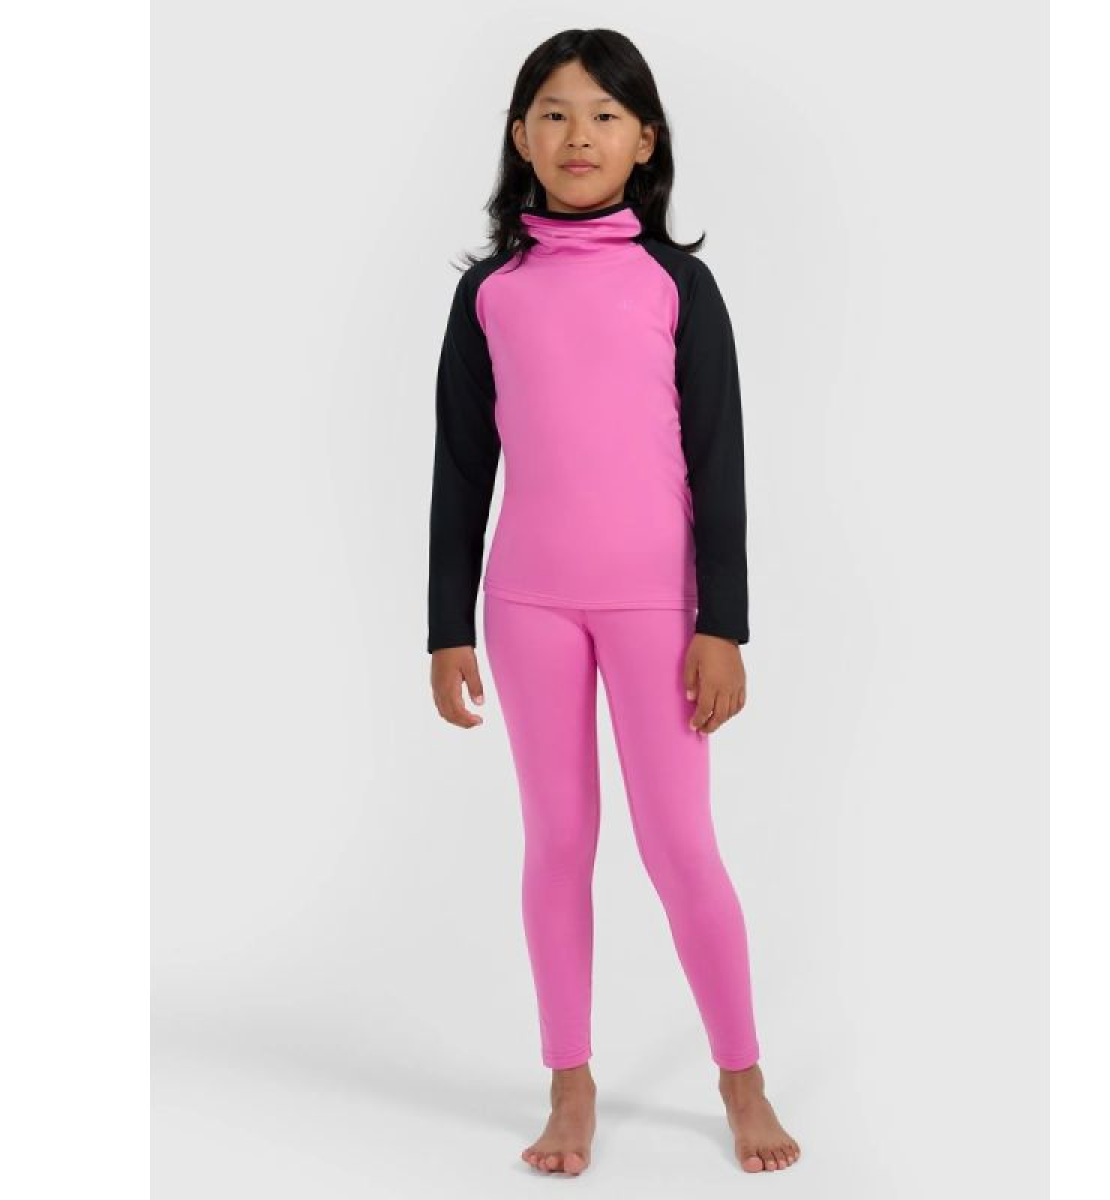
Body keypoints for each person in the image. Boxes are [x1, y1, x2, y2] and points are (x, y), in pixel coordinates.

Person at [426, 28, 801, 1176]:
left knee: (680, 843)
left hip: (658, 608)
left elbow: (720, 460)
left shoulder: (678, 286)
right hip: (527, 605)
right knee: (558, 841)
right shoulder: (491, 294)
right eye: (552, 112)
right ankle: (569, 1082)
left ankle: (741, 1076)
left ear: (646, 140)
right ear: (519, 137)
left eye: (603, 114)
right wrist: (445, 625)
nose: (576, 134)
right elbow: (461, 466)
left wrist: (723, 623)